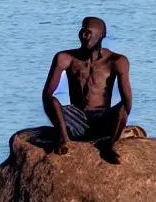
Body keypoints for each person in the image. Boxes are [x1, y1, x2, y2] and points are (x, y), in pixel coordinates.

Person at [42, 16, 132, 160]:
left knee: (123, 107)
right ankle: (65, 140)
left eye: (88, 32)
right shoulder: (65, 58)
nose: (84, 36)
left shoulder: (117, 61)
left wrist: (117, 120)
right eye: (82, 31)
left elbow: (127, 102)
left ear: (101, 35)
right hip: (77, 118)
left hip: (103, 118)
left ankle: (110, 145)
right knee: (51, 101)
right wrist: (61, 124)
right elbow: (47, 94)